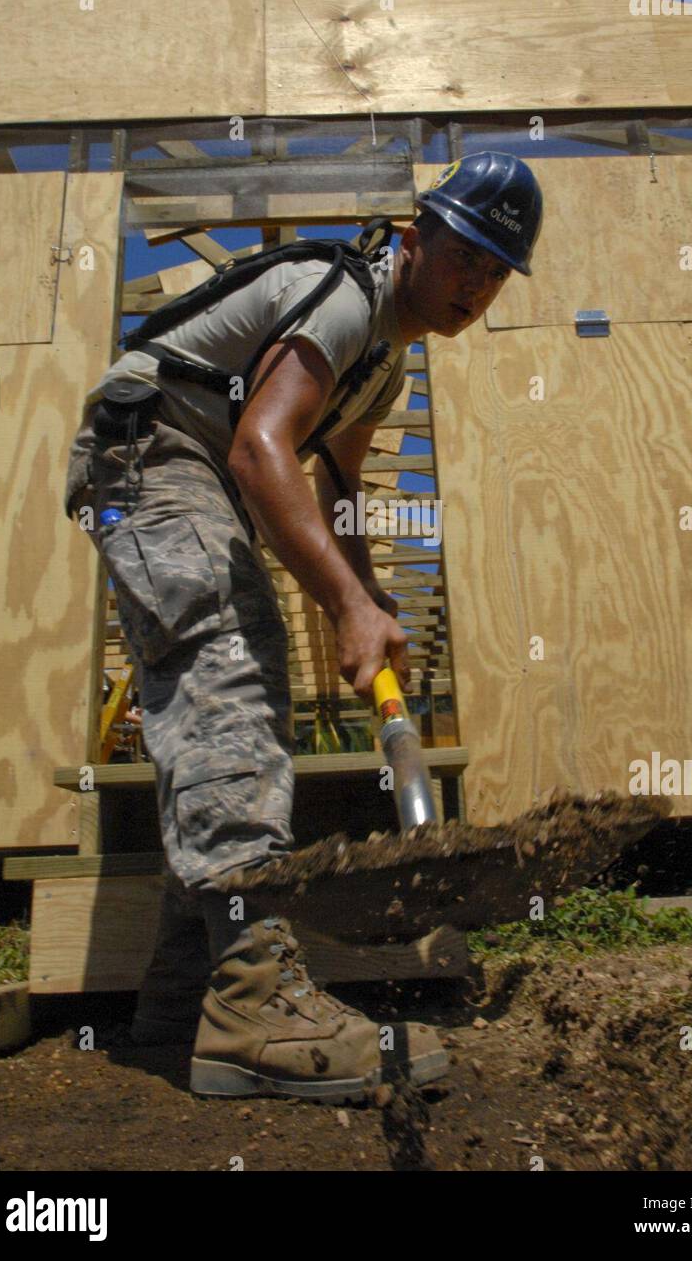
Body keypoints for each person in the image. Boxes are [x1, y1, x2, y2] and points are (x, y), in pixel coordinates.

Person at [63, 151, 543, 1103]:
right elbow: (259, 446)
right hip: (147, 452)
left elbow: (334, 488)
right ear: (414, 240)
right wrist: (345, 603)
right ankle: (254, 1003)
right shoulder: (344, 294)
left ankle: (187, 999)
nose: (474, 285)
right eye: (463, 257)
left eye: (494, 272)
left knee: (224, 699)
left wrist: (365, 604)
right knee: (231, 666)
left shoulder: (383, 368)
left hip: (190, 468)